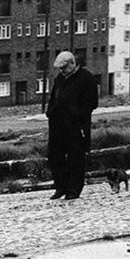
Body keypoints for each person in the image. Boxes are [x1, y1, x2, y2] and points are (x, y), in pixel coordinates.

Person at [45, 50, 98, 200]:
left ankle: (74, 189)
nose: (61, 71)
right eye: (60, 69)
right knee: (55, 156)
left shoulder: (86, 78)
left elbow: (92, 103)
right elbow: (53, 97)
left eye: (64, 67)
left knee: (76, 158)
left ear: (72, 64)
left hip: (76, 125)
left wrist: (76, 114)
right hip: (57, 125)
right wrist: (50, 112)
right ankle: (61, 186)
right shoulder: (60, 78)